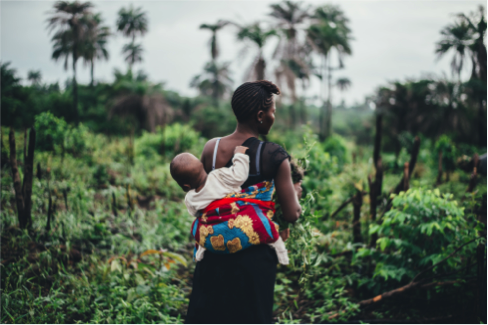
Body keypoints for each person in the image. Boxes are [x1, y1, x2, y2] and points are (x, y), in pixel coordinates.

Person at [185, 80, 301, 324]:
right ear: (260, 115)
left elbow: (206, 195)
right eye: (272, 112)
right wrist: (296, 195)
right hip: (254, 259)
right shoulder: (274, 156)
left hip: (213, 252)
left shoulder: (211, 149)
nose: (273, 116)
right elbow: (291, 214)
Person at [169, 146, 289, 264]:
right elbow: (239, 175)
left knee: (198, 226)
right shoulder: (218, 175)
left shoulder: (190, 198)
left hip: (215, 229)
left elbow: (196, 213)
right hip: (236, 217)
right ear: (202, 166)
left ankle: (201, 250)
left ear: (185, 186)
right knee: (261, 222)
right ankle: (282, 254)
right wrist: (239, 155)